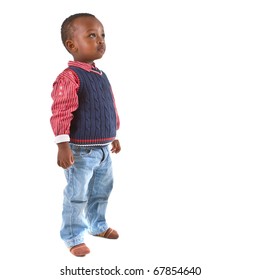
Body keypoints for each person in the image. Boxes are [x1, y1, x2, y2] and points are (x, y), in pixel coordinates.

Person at [50, 13, 121, 257]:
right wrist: (62, 145)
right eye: (92, 35)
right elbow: (61, 111)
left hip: (103, 150)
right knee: (77, 195)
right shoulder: (69, 77)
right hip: (80, 152)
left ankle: (97, 225)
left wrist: (114, 135)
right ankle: (72, 235)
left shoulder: (101, 75)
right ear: (72, 45)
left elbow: (109, 106)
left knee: (102, 190)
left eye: (102, 35)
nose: (100, 40)